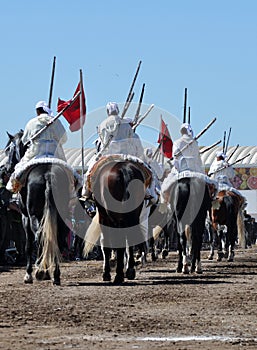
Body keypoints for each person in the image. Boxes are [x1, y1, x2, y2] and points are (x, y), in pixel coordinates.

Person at [6, 101, 68, 193]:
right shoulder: (56, 121)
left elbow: (25, 141)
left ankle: (13, 187)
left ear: (38, 111)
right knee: (69, 175)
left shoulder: (31, 123)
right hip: (55, 154)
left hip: (36, 153)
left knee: (18, 170)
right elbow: (64, 139)